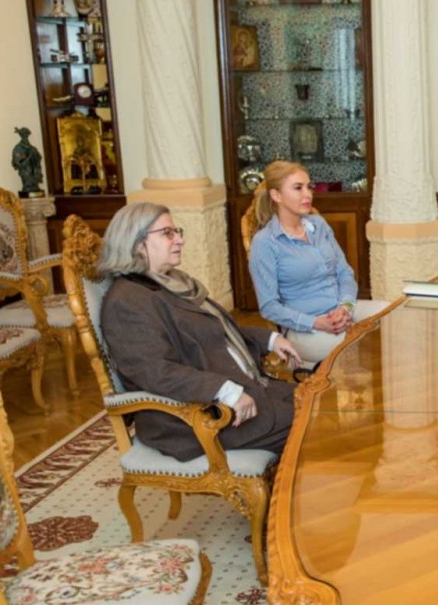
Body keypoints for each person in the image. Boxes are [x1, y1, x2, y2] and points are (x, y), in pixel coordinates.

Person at [99, 203, 301, 462]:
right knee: (318, 423)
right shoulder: (127, 301)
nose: (180, 240)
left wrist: (271, 339)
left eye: (177, 232)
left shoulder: (173, 283)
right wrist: (226, 391)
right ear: (138, 244)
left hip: (245, 388)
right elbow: (155, 372)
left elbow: (212, 332)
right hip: (199, 418)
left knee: (322, 402)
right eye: (168, 233)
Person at [249, 161, 386, 364]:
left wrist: (345, 308)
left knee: (396, 317)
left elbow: (345, 273)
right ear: (276, 195)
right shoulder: (265, 242)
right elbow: (269, 307)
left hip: (342, 311)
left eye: (309, 186)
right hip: (305, 328)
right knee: (364, 344)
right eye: (298, 188)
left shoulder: (319, 225)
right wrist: (316, 322)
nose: (308, 194)